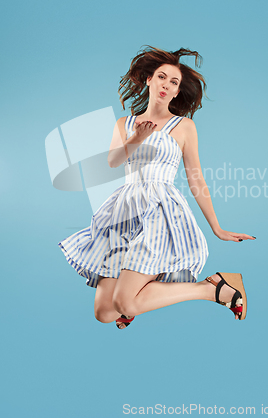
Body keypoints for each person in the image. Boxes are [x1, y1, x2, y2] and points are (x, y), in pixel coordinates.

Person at [58, 46, 255, 329]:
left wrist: (217, 228)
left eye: (174, 82)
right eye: (162, 77)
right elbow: (113, 162)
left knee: (125, 303)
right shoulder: (124, 123)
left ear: (176, 92)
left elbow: (196, 179)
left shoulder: (184, 127)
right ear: (149, 80)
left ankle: (213, 288)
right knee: (104, 312)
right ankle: (137, 297)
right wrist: (137, 138)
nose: (167, 85)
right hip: (123, 211)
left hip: (159, 212)